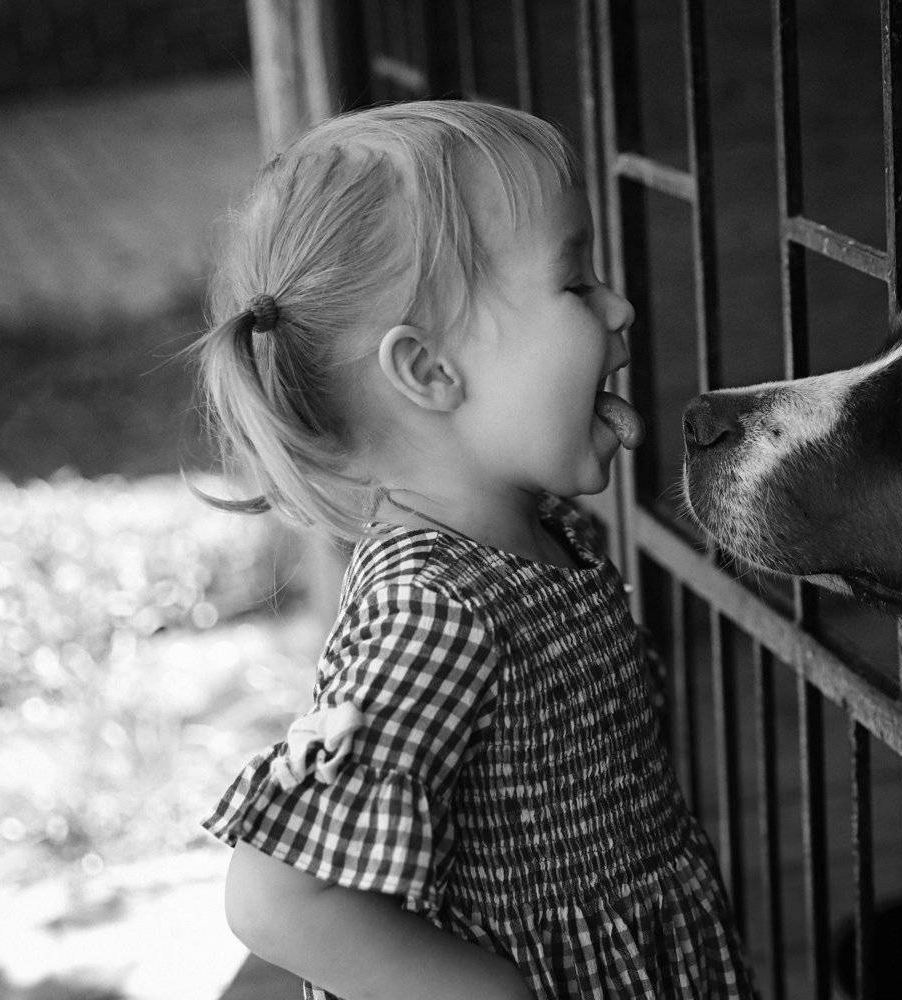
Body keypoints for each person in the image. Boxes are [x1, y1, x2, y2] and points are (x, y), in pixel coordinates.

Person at [196, 99, 754, 1000]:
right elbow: (278, 899)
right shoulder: (437, 611)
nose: (620, 306)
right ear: (429, 371)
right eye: (575, 284)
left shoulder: (533, 537)